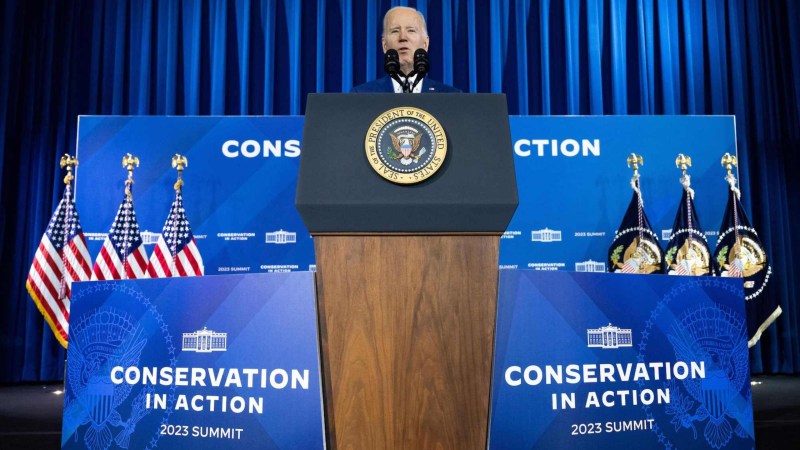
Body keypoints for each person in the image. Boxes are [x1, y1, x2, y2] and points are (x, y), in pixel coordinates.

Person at [351, 6, 461, 93]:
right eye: (395, 31)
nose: (403, 37)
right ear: (384, 45)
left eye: (411, 30)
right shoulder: (361, 95)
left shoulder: (451, 97)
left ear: (425, 44)